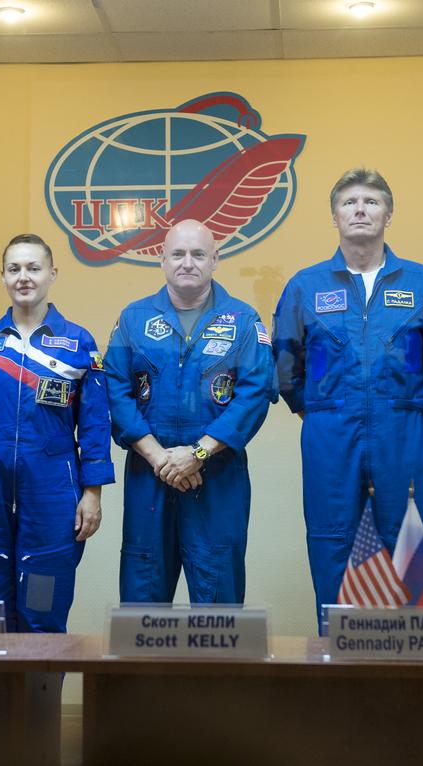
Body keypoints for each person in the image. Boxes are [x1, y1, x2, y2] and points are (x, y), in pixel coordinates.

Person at [272, 168, 423, 629]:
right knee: (333, 543)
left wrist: (410, 408)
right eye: (349, 202)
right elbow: (286, 368)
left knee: (411, 543)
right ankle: (337, 659)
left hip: (404, 429)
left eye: (371, 202)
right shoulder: (305, 287)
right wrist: (321, 409)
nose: (360, 210)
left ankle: (416, 660)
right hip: (330, 431)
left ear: (388, 213)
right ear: (334, 216)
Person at [0, 234, 113, 632]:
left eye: (33, 268)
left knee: (42, 605)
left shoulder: (79, 344)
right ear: (3, 276)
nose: (24, 277)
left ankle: (40, 694)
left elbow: (96, 425)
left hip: (52, 489)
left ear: (52, 273)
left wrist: (93, 493)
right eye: (14, 269)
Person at [103, 219, 277, 605]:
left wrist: (197, 455)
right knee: (142, 594)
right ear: (161, 260)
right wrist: (161, 458)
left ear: (215, 259)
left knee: (219, 599)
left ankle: (217, 669)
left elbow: (254, 396)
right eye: (177, 254)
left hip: (217, 479)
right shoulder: (133, 320)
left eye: (198, 254)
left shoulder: (244, 321)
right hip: (150, 476)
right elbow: (114, 390)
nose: (187, 262)